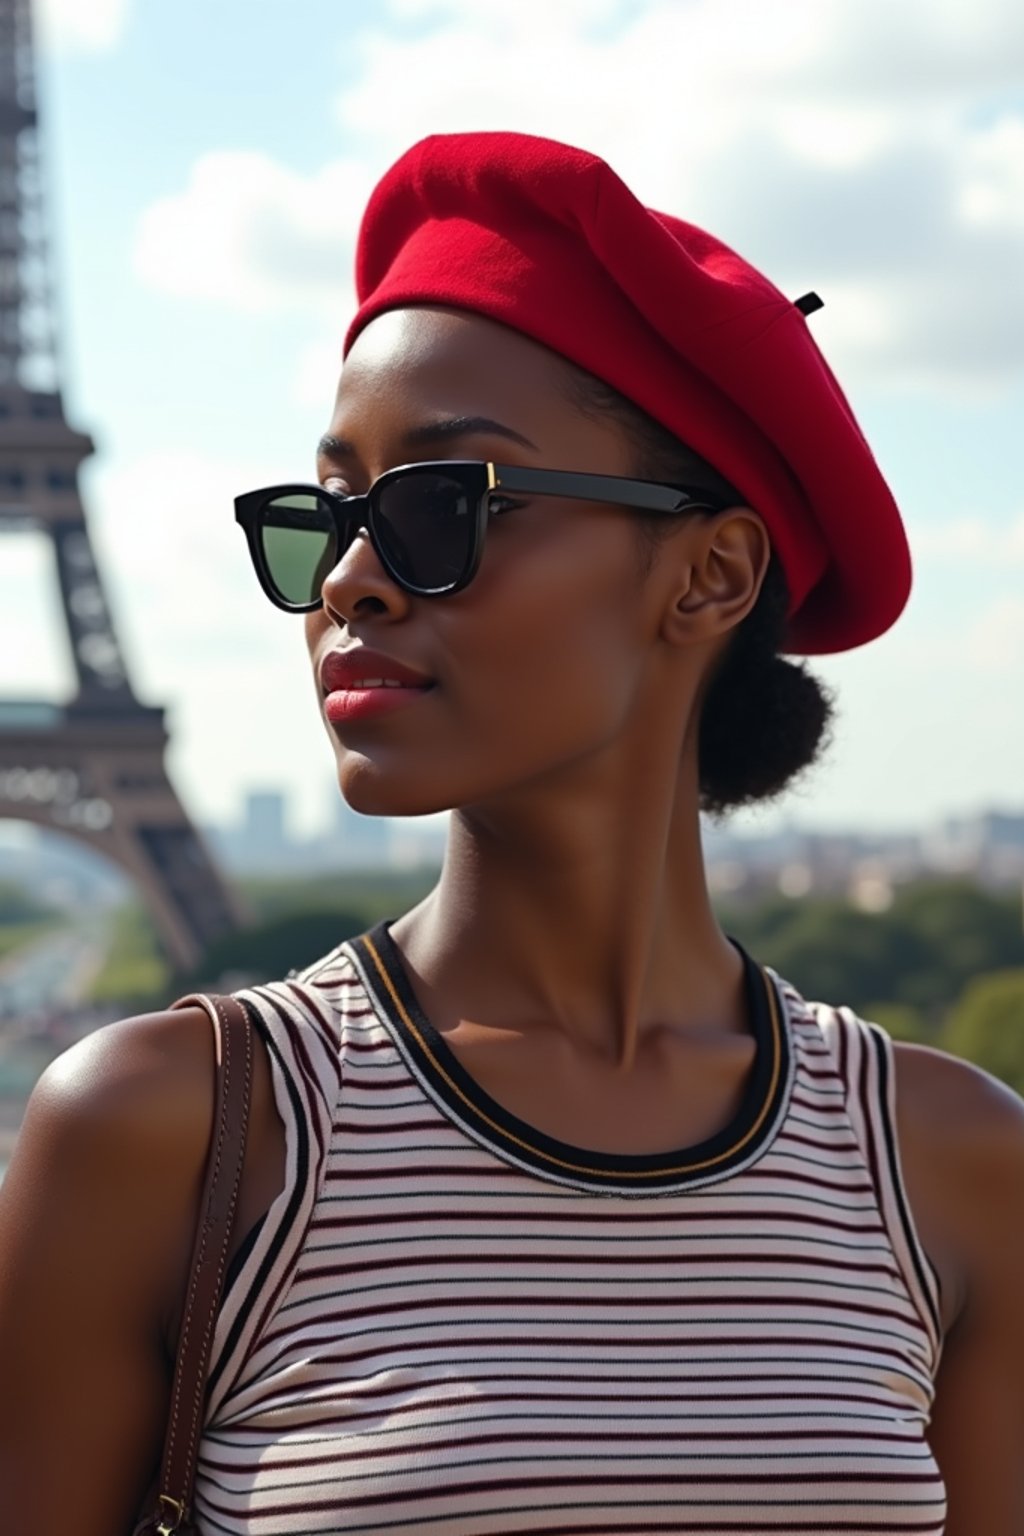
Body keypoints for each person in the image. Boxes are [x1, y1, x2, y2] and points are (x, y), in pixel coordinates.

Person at [0, 131, 1021, 1536]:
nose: (350, 582)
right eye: (332, 515)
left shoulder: (948, 1160)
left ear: (710, 573)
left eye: (440, 506)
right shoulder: (172, 1132)